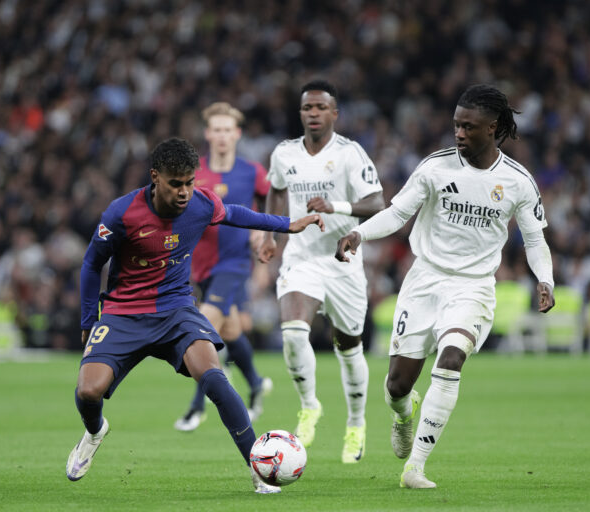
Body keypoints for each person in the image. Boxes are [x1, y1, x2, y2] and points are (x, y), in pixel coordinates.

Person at [67, 138, 324, 494]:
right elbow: (92, 262)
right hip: (123, 312)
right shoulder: (121, 213)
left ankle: (257, 467)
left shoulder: (202, 203)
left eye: (189, 182)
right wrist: (87, 319)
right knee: (88, 390)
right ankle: (95, 431)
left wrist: (286, 225)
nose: (185, 191)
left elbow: (235, 213)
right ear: (155, 178)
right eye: (176, 183)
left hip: (176, 309)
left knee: (215, 378)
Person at [336, 84, 556, 488]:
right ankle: (403, 414)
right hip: (424, 280)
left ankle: (415, 467)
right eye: (455, 125)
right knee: (397, 386)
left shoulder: (518, 181)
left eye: (467, 127)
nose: (458, 133)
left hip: (473, 287)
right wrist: (359, 235)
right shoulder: (435, 168)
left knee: (451, 357)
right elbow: (396, 213)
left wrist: (545, 279)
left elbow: (536, 239)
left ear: (492, 128)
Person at [258, 80, 385, 463]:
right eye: (306, 108)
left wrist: (336, 207)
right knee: (294, 332)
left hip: (342, 260)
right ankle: (309, 406)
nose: (312, 113)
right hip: (301, 258)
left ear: (334, 113)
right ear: (300, 113)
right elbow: (276, 190)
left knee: (349, 349)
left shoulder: (350, 153)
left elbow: (378, 202)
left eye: (320, 107)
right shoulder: (284, 153)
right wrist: (271, 233)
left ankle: (356, 424)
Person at [174, 102, 273, 432]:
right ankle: (256, 383)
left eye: (227, 130)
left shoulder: (251, 172)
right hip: (199, 266)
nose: (221, 136)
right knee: (230, 330)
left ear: (237, 134)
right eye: (216, 129)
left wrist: (263, 235)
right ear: (207, 134)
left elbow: (273, 199)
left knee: (203, 326)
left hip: (234, 264)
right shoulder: (195, 172)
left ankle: (196, 407)